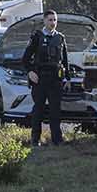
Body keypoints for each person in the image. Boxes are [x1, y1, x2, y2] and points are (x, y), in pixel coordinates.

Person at [23, 9, 70, 147]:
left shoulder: (60, 38)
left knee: (55, 111)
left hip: (55, 80)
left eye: (55, 20)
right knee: (38, 110)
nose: (53, 23)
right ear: (44, 20)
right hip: (40, 80)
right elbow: (25, 59)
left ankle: (57, 140)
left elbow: (65, 60)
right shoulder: (37, 36)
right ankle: (35, 139)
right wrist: (30, 72)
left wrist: (68, 78)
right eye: (50, 20)